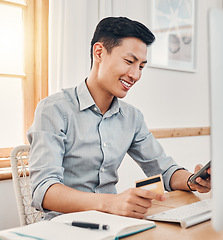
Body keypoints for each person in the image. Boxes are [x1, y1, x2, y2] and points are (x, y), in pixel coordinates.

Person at [27, 16, 211, 220]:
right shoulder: (54, 109)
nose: (135, 75)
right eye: (129, 61)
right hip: (64, 226)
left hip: (113, 223)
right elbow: (43, 190)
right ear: (99, 53)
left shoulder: (132, 117)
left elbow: (165, 171)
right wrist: (111, 203)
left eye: (141, 66)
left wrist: (193, 181)